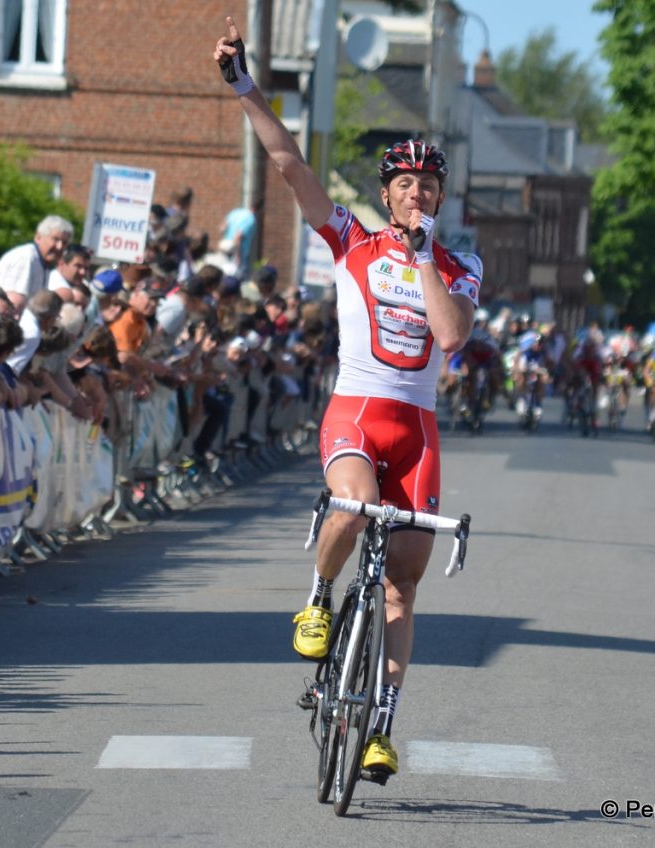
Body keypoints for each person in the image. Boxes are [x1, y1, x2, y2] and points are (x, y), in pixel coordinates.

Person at [214, 17, 478, 779]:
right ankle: (320, 595)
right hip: (357, 411)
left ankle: (381, 725)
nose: (419, 192)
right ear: (387, 193)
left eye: (430, 184)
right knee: (355, 506)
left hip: (417, 429)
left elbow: (451, 335)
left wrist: (426, 257)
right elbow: (288, 161)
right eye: (406, 184)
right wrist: (244, 86)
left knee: (404, 585)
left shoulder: (459, 265)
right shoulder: (351, 242)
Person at [0, 215, 74, 314]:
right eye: (55, 239)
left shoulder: (43, 262)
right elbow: (15, 303)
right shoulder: (26, 258)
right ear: (38, 237)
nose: (59, 247)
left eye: (64, 243)